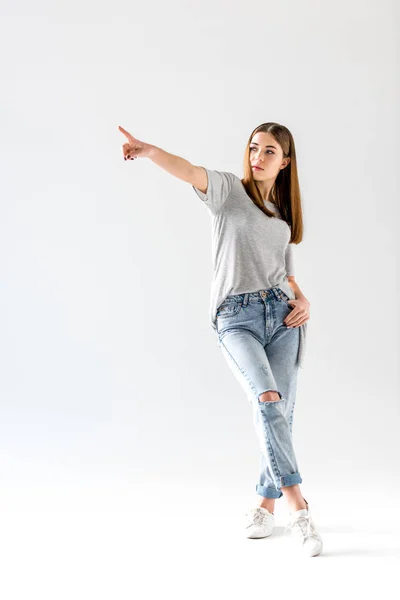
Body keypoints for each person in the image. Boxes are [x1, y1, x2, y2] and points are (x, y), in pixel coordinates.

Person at [118, 121, 323, 557]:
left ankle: (265, 506)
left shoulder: (282, 218)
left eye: (269, 151)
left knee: (280, 413)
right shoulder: (229, 190)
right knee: (267, 400)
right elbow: (190, 171)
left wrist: (304, 300)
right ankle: (299, 507)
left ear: (285, 163)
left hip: (284, 319)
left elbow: (285, 274)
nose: (258, 156)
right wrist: (151, 151)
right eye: (254, 148)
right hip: (236, 317)